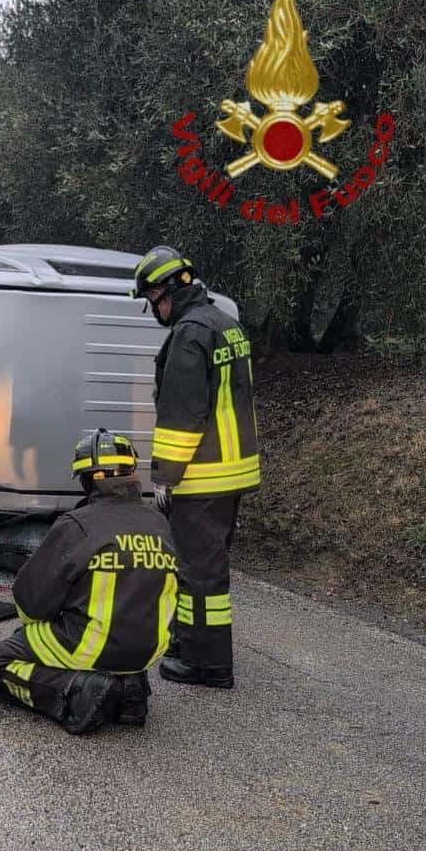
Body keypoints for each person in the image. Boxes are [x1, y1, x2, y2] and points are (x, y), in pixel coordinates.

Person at [0, 429, 178, 734]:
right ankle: (130, 690)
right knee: (93, 638)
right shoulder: (160, 523)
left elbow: (30, 603)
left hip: (89, 646)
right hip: (149, 649)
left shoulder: (77, 526)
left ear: (87, 480)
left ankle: (77, 690)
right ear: (130, 474)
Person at [131, 245, 261, 689]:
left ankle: (208, 665)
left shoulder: (189, 334)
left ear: (168, 291)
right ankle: (190, 644)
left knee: (200, 575)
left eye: (152, 299)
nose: (154, 308)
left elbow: (182, 415)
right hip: (232, 472)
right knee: (203, 567)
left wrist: (165, 476)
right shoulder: (226, 324)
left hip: (202, 476)